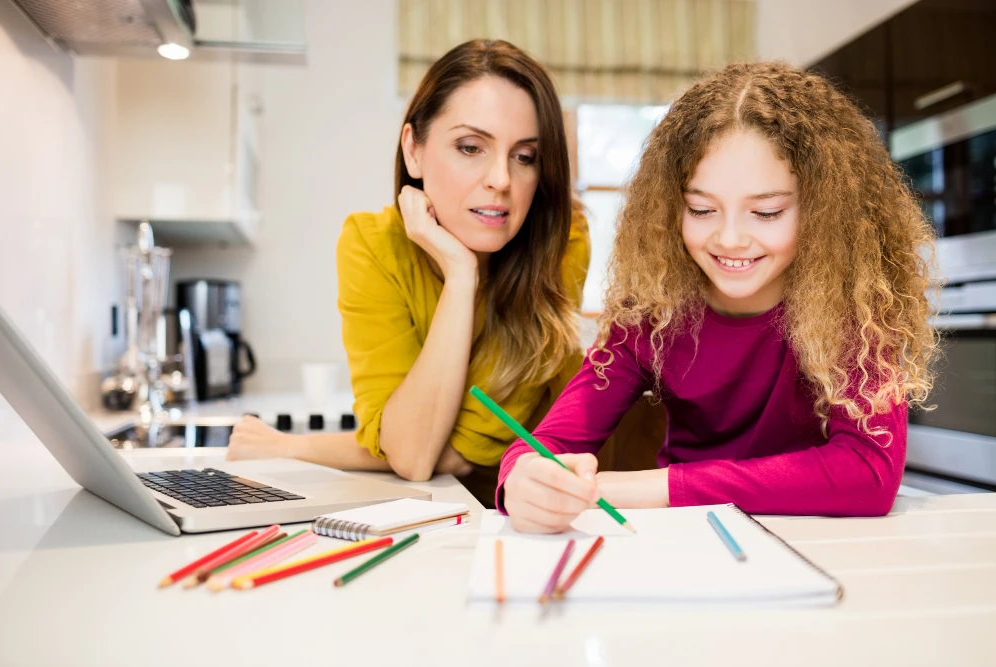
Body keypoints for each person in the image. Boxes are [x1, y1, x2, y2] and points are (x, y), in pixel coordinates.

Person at [498, 61, 938, 531]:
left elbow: (868, 472)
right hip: (685, 540)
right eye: (702, 209)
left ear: (822, 210)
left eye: (766, 212)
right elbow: (542, 447)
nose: (730, 239)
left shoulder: (854, 308)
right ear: (673, 207)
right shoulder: (650, 315)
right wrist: (522, 480)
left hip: (817, 541)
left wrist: (656, 487)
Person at [227, 39, 590, 508]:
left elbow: (443, 454)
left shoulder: (563, 244)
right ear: (414, 151)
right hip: (427, 514)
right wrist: (461, 279)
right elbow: (414, 454)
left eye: (525, 156)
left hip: (547, 508)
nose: (501, 179)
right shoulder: (372, 245)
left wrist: (290, 447)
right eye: (470, 147)